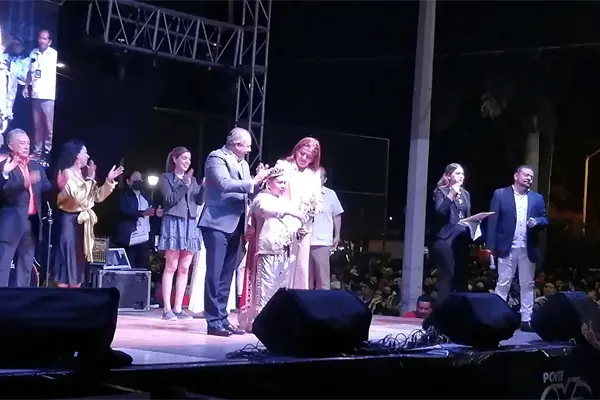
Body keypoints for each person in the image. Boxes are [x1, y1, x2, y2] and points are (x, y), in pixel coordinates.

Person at [199, 128, 270, 337]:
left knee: (227, 274)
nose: (248, 150)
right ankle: (213, 321)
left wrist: (260, 182)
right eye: (247, 146)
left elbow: (248, 192)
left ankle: (222, 318)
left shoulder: (244, 164)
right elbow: (224, 185)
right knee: (214, 274)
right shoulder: (216, 158)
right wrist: (253, 181)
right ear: (237, 145)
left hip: (236, 223)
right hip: (217, 223)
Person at [238, 167, 305, 332]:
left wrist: (298, 232)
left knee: (280, 289)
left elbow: (291, 225)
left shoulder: (283, 201)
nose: (283, 186)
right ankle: (261, 322)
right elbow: (264, 211)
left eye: (284, 183)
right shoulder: (262, 198)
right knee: (265, 289)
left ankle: (275, 321)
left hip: (283, 250)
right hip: (266, 250)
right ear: (269, 183)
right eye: (279, 182)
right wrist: (290, 212)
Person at [486, 165, 548, 332]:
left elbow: (544, 219)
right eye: (526, 175)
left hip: (528, 246)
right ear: (516, 176)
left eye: (531, 176)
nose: (529, 178)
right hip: (507, 245)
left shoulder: (537, 198)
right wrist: (490, 245)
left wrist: (537, 221)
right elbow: (493, 221)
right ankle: (498, 317)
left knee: (527, 284)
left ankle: (526, 319)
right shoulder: (500, 194)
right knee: (503, 282)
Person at [53, 140, 123, 287]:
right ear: (77, 155)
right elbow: (76, 199)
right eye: (85, 152)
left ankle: (75, 292)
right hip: (70, 221)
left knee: (78, 262)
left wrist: (109, 180)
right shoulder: (67, 173)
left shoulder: (83, 174)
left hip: (83, 224)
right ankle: (64, 295)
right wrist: (90, 179)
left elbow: (97, 197)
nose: (88, 156)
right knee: (69, 261)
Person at [0, 129, 51, 287]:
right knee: (3, 267)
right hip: (11, 224)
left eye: (28, 143)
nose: (27, 146)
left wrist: (62, 187)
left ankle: (21, 299)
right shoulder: (4, 166)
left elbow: (48, 189)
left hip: (31, 224)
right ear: (11, 145)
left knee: (25, 267)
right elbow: (3, 192)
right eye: (22, 143)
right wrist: (8, 176)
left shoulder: (36, 166)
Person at [158, 147, 204, 320]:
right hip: (174, 221)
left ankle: (178, 308)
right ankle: (167, 308)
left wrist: (204, 187)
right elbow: (170, 199)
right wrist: (184, 184)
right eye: (184, 158)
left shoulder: (192, 180)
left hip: (190, 223)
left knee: (185, 268)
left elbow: (198, 201)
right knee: (171, 266)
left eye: (189, 159)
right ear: (175, 159)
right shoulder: (166, 178)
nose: (187, 162)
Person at [274, 137, 323, 290]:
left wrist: (314, 209)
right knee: (282, 265)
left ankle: (297, 299)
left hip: (304, 226)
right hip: (283, 223)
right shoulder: (283, 165)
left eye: (309, 157)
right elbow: (274, 192)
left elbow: (318, 200)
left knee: (301, 267)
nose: (304, 158)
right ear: (296, 150)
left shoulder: (314, 173)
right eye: (302, 153)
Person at [429, 163, 472, 304]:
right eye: (458, 173)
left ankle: (459, 311)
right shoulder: (441, 192)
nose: (461, 176)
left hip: (462, 239)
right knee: (448, 275)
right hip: (446, 240)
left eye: (463, 174)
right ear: (448, 176)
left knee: (462, 276)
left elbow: (466, 216)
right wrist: (452, 193)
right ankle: (442, 310)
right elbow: (441, 211)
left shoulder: (465, 194)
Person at [116, 171, 163, 269]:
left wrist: (156, 212)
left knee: (143, 265)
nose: (138, 182)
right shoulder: (123, 195)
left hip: (145, 235)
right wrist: (142, 213)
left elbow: (151, 209)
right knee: (130, 264)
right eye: (135, 180)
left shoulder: (145, 195)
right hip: (131, 235)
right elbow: (123, 211)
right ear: (128, 181)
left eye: (140, 180)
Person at [23, 30, 57, 164]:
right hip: (36, 94)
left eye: (44, 39)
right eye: (40, 38)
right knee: (37, 126)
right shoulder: (33, 53)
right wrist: (26, 87)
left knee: (48, 127)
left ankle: (47, 153)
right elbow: (29, 72)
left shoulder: (54, 54)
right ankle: (37, 152)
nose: (41, 41)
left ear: (49, 41)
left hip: (48, 96)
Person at [309, 167, 343, 289]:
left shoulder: (330, 194)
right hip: (303, 241)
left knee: (322, 278)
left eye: (320, 177)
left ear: (325, 179)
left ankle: (322, 299)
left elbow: (337, 215)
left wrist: (337, 235)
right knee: (305, 278)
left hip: (321, 241)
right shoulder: (304, 191)